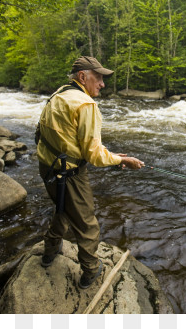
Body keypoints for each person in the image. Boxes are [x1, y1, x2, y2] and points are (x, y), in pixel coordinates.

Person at [35, 56, 145, 289]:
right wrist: (123, 160)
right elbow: (93, 154)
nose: (102, 84)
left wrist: (115, 158)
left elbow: (62, 139)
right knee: (87, 225)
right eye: (99, 78)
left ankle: (49, 253)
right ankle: (90, 272)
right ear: (83, 77)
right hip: (70, 174)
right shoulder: (86, 104)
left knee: (63, 209)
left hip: (48, 168)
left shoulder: (59, 95)